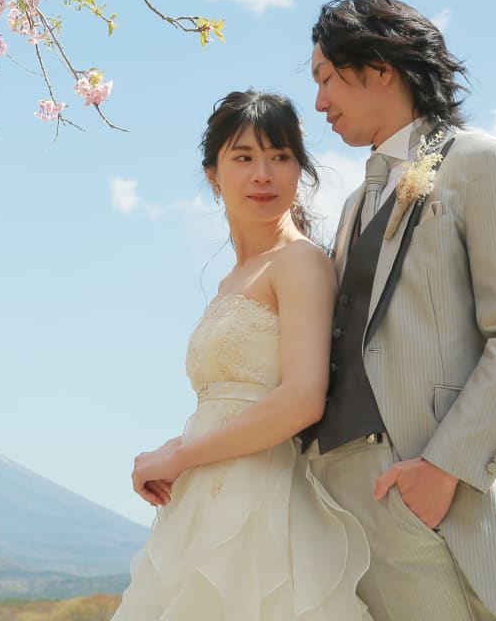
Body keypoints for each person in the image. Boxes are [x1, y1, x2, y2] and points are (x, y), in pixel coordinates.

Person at [304, 0, 496, 621]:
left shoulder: (484, 164)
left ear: (379, 68)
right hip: (345, 496)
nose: (319, 102)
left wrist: (442, 468)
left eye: (327, 78)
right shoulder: (354, 207)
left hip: (439, 488)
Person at [112, 89, 371, 621]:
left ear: (300, 170)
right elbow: (230, 400)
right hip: (205, 498)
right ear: (212, 173)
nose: (263, 175)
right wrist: (171, 449)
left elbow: (301, 399)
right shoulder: (233, 278)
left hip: (263, 505)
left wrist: (180, 457)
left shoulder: (300, 263)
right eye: (244, 158)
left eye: (280, 157)